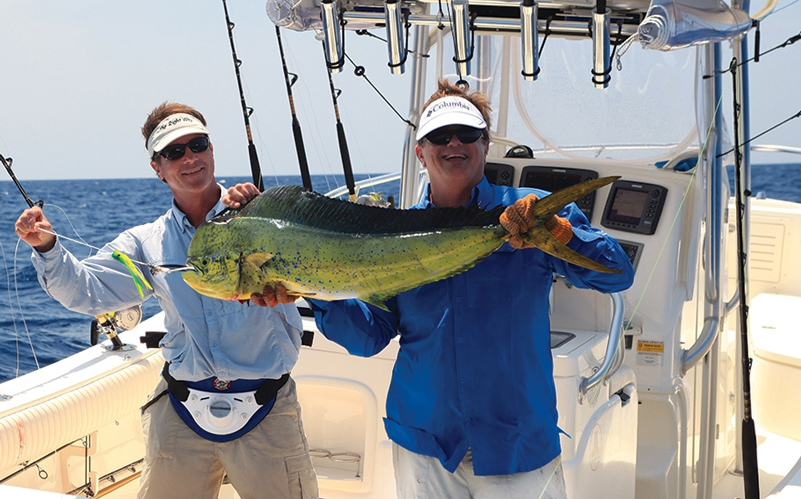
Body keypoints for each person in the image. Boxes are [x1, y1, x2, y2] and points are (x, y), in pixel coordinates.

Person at [242, 80, 635, 498]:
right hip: (425, 444)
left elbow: (616, 274)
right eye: (439, 136)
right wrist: (311, 289)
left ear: (485, 145)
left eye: (467, 134)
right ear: (421, 151)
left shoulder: (528, 210)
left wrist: (559, 231)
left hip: (516, 443)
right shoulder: (393, 234)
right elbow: (368, 337)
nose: (454, 143)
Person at [14, 102, 319, 499]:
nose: (190, 157)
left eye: (198, 144)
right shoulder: (146, 241)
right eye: (174, 152)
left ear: (212, 150)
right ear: (157, 167)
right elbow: (86, 289)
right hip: (181, 409)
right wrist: (48, 246)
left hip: (267, 407)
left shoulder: (257, 215)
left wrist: (265, 215)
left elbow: (316, 265)